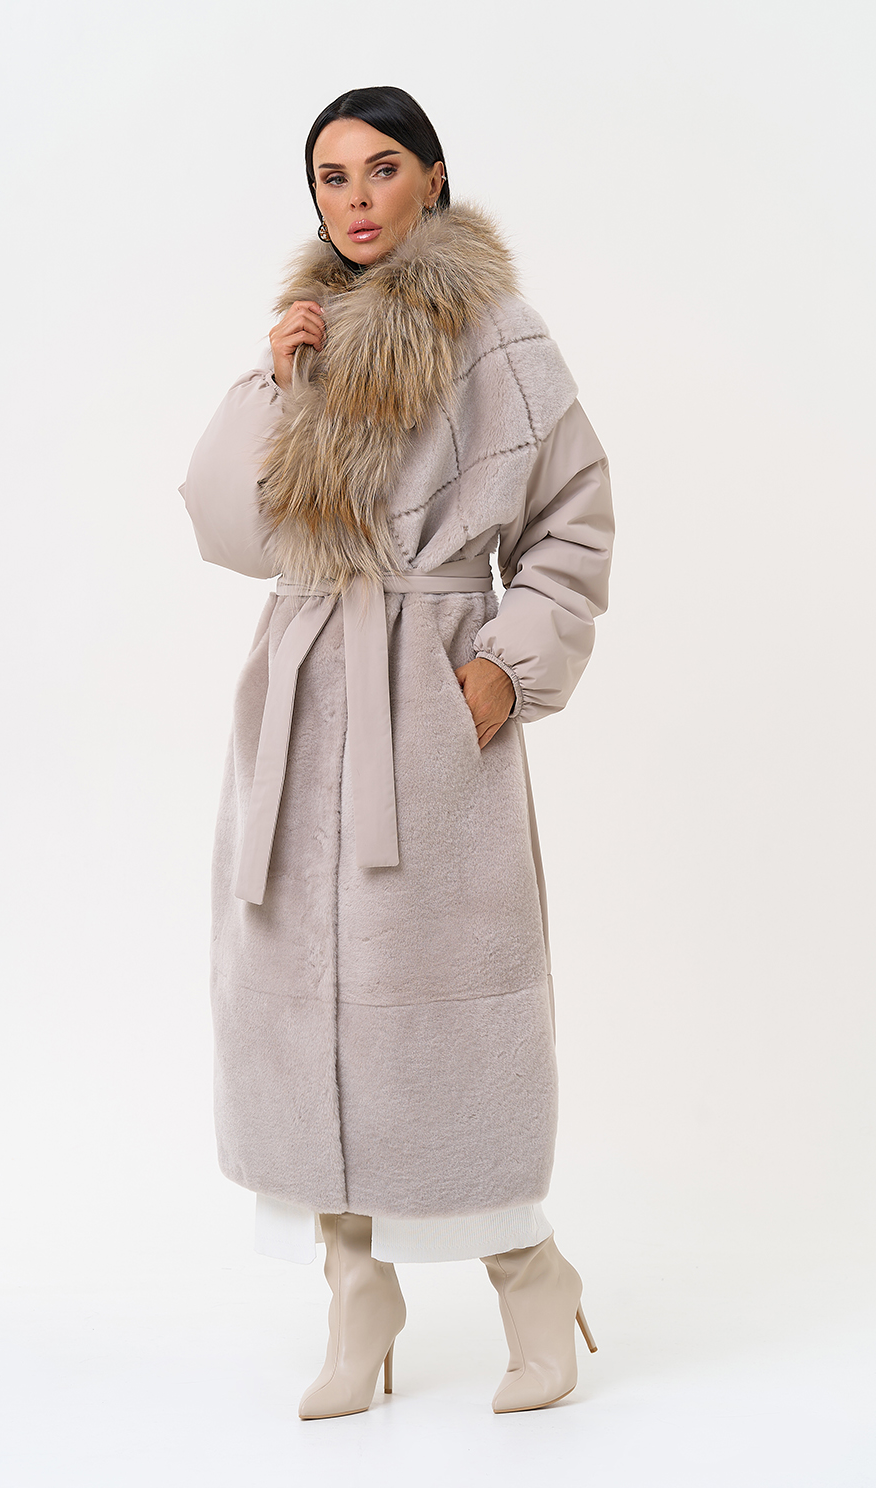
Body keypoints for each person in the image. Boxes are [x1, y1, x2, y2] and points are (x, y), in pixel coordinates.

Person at [180, 85, 614, 1419]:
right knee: (296, 1007)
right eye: (331, 177)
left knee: (452, 1024)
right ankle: (354, 1290)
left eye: (381, 168)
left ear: (431, 176)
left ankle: (531, 1279)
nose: (356, 197)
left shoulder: (499, 335)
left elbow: (574, 518)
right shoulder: (308, 337)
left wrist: (498, 672)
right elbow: (228, 533)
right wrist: (276, 379)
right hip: (301, 706)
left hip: (425, 718)